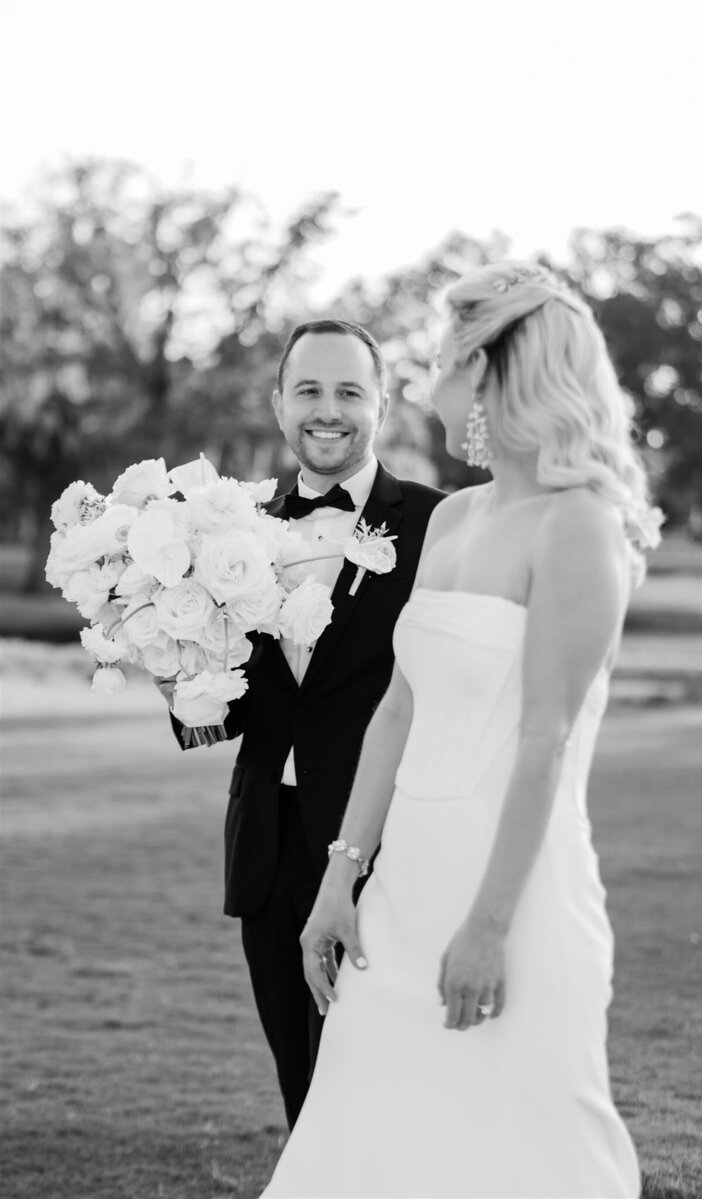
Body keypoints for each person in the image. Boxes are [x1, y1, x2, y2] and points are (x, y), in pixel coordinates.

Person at [260, 264, 662, 1198]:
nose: (430, 376)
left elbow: (545, 740)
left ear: (484, 370)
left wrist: (487, 926)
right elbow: (398, 708)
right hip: (400, 897)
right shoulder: (452, 521)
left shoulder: (577, 528)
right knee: (364, 1141)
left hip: (512, 894)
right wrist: (339, 874)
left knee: (515, 1152)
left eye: (443, 356)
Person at [158, 319, 444, 1128]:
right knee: (302, 1080)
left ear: (381, 404)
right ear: (279, 404)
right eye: (308, 390)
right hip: (268, 842)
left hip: (386, 842)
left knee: (380, 1076)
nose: (329, 410)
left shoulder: (439, 525)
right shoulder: (224, 529)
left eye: (350, 391)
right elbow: (221, 718)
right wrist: (169, 657)